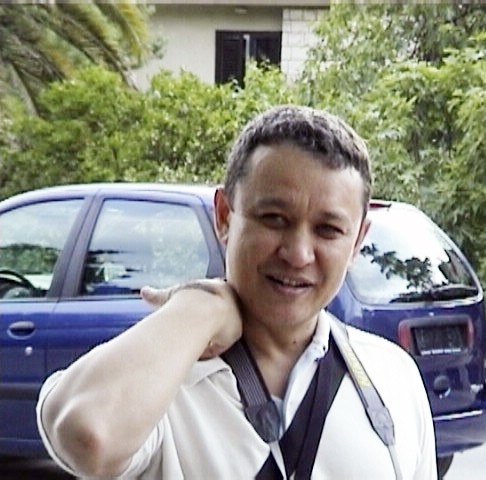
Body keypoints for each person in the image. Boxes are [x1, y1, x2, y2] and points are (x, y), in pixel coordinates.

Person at [37, 105, 437, 479]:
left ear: (358, 241)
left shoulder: (392, 378)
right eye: (274, 219)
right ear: (225, 216)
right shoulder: (162, 379)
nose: (298, 254)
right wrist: (201, 306)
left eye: (328, 230)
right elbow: (86, 434)